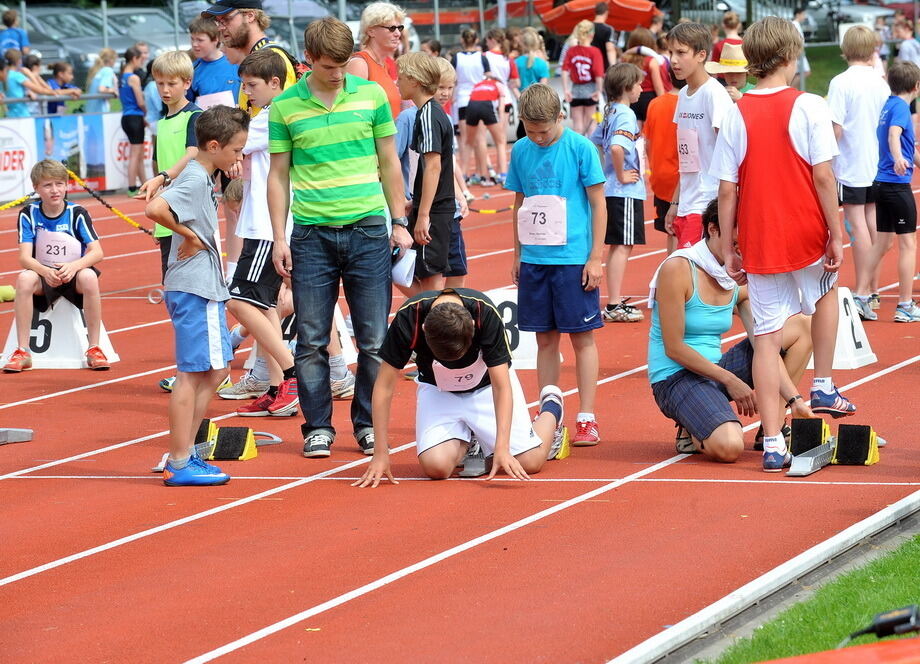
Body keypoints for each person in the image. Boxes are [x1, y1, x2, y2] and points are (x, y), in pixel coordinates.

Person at [712, 16, 855, 472]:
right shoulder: (809, 105)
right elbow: (824, 175)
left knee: (766, 341)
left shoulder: (736, 112)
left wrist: (730, 245)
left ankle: (772, 441)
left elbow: (727, 188)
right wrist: (837, 232)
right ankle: (825, 382)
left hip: (759, 236)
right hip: (805, 229)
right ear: (791, 57)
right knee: (826, 294)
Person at [268, 17, 412, 459]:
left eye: (343, 64)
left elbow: (390, 162)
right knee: (311, 338)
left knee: (372, 339)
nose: (338, 73)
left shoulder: (369, 96)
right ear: (309, 59)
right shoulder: (284, 107)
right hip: (311, 234)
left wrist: (399, 219)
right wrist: (279, 237)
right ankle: (318, 427)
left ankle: (367, 424)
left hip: (369, 229)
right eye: (329, 66)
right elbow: (278, 176)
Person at [648, 199, 814, 461]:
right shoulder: (678, 268)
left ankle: (773, 427)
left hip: (716, 369)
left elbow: (764, 345)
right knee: (729, 447)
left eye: (744, 243)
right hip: (676, 377)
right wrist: (730, 380)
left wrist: (795, 401)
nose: (740, 251)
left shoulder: (735, 275)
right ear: (713, 229)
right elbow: (674, 347)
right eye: (735, 242)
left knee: (801, 327)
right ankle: (691, 424)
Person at [354, 288, 570, 487]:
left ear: (472, 329)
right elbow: (383, 387)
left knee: (531, 461)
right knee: (436, 468)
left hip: (486, 387)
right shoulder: (408, 317)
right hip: (438, 391)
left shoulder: (484, 313)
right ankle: (471, 439)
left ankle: (552, 408)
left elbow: (501, 387)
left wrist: (502, 448)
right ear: (424, 328)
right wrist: (380, 454)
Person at [144, 104, 249, 486]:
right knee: (192, 375)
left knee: (218, 369)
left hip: (201, 286)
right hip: (193, 287)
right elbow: (155, 208)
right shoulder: (193, 178)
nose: (239, 158)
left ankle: (186, 453)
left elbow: (187, 160)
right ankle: (180, 458)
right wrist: (189, 235)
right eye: (236, 151)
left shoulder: (201, 172)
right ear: (215, 145)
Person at [506, 83, 606, 446]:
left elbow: (598, 203)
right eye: (530, 131)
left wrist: (595, 257)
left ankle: (587, 417)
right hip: (535, 260)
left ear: (560, 117)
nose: (538, 138)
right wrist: (517, 253)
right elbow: (520, 203)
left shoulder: (580, 148)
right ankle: (550, 413)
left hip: (573, 261)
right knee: (544, 340)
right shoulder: (521, 150)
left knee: (582, 338)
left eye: (543, 131)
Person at [222, 48, 301, 417]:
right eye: (242, 85)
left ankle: (290, 373)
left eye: (251, 85)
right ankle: (275, 386)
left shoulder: (269, 119)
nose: (246, 92)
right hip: (266, 222)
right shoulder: (275, 115)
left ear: (274, 83)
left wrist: (168, 173)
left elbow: (223, 142)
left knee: (238, 301)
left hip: (268, 226)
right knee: (266, 305)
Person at [3, 160, 109, 373]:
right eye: (48, 185)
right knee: (24, 279)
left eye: (59, 184)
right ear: (36, 188)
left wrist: (74, 266)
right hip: (43, 275)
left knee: (89, 277)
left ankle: (94, 348)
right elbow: (24, 258)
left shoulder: (77, 212)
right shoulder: (28, 214)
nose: (55, 190)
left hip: (73, 274)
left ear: (67, 185)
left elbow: (97, 252)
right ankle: (23, 351)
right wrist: (45, 271)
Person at [827, 25, 891, 321]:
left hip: (852, 166)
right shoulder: (881, 82)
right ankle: (872, 289)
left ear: (845, 49)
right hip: (877, 164)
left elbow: (835, 128)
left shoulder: (841, 82)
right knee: (872, 224)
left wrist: (825, 159)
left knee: (858, 228)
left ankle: (864, 292)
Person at [664, 22, 734, 250]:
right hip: (687, 202)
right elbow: (687, 157)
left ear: (701, 55)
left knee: (692, 275)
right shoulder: (683, 94)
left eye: (681, 53)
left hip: (708, 202)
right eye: (670, 52)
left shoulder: (714, 95)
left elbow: (731, 150)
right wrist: (675, 202)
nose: (673, 60)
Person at [138, 51, 201, 283]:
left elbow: (193, 152)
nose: (165, 90)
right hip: (166, 217)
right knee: (172, 287)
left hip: (189, 215)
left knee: (191, 287)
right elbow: (158, 163)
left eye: (171, 84)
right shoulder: (161, 124)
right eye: (160, 83)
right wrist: (158, 223)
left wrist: (165, 177)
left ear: (187, 83)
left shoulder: (194, 116)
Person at [866, 61, 920, 322]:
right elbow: (894, 137)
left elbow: (909, 148)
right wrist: (898, 158)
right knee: (908, 243)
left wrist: (905, 156)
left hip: (881, 183)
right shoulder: (901, 108)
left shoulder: (888, 105)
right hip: (896, 186)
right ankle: (905, 304)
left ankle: (859, 295)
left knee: (883, 243)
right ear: (916, 86)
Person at [592, 63, 646, 324]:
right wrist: (621, 174)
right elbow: (615, 147)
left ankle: (613, 300)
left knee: (619, 245)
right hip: (624, 189)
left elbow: (595, 141)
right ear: (626, 87)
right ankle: (613, 303)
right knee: (622, 246)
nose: (641, 88)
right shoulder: (625, 114)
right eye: (637, 84)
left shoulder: (611, 111)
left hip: (613, 188)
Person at [396, 52, 454, 292]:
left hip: (436, 210)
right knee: (408, 272)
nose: (396, 82)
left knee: (430, 282)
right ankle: (427, 321)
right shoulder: (425, 113)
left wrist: (423, 215)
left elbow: (433, 166)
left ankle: (434, 325)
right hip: (430, 207)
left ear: (415, 81)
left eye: (400, 77)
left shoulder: (429, 114)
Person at [202, 0, 298, 116]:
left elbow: (282, 121)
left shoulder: (273, 58)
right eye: (218, 22)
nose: (220, 28)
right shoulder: (255, 58)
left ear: (250, 16)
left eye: (226, 20)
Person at [644, 69, 683, 255]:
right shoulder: (688, 104)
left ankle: (672, 277)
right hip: (681, 177)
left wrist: (653, 166)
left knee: (672, 231)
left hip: (660, 174)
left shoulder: (655, 104)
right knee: (681, 231)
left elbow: (648, 142)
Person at [346, 1, 407, 120]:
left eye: (399, 28)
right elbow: (355, 115)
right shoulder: (360, 63)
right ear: (371, 31)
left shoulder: (385, 64)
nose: (398, 33)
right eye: (392, 28)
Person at [451, 29, 492, 182]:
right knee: (480, 139)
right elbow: (488, 78)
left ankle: (465, 175)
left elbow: (452, 79)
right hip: (480, 99)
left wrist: (453, 96)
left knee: (465, 140)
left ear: (462, 40)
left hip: (463, 101)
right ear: (476, 40)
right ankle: (482, 175)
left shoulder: (456, 58)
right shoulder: (482, 58)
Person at [561, 20, 604, 137]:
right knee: (591, 124)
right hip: (590, 88)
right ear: (591, 34)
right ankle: (590, 153)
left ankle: (577, 153)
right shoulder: (595, 51)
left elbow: (564, 70)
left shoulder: (571, 51)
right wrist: (599, 90)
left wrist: (566, 90)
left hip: (575, 90)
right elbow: (598, 74)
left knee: (577, 126)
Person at [188, 16, 241, 108]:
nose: (194, 44)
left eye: (200, 40)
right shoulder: (191, 70)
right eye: (192, 39)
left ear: (216, 39)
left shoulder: (235, 62)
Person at [621, 27, 666, 125]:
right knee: (647, 131)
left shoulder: (625, 60)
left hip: (631, 96)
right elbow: (658, 87)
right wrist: (663, 103)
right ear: (650, 42)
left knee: (634, 129)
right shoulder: (651, 61)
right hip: (649, 99)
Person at [119, 47, 147, 195]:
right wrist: (146, 113)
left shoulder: (121, 76)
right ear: (134, 59)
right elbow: (140, 101)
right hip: (135, 116)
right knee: (136, 154)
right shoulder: (133, 78)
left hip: (126, 116)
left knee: (139, 154)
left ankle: (144, 184)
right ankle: (131, 187)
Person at [513, 29, 550, 139]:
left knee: (523, 127)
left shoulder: (516, 62)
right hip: (538, 101)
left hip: (522, 100)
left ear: (522, 44)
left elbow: (513, 84)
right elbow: (544, 85)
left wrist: (520, 97)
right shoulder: (541, 63)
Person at [3, 49, 40, 118]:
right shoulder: (17, 75)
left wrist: (27, 93)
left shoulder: (3, 75)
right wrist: (31, 75)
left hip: (9, 115)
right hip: (22, 115)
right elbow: (39, 89)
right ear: (19, 61)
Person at [143, 60, 163, 174]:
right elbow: (159, 106)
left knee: (157, 153)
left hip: (154, 121)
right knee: (158, 153)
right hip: (156, 122)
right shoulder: (153, 85)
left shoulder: (150, 85)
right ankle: (158, 178)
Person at [85, 48, 118, 114]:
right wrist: (114, 90)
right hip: (100, 112)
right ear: (111, 60)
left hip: (90, 111)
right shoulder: (107, 70)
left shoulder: (97, 71)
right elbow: (102, 89)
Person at [591, 2, 618, 73]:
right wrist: (613, 67)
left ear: (595, 12)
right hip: (602, 66)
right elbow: (610, 49)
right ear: (606, 12)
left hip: (587, 64)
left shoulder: (587, 27)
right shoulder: (608, 29)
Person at [791, 7, 811, 88]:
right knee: (806, 72)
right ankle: (790, 89)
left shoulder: (796, 24)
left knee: (799, 73)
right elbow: (796, 40)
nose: (804, 16)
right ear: (797, 14)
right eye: (803, 14)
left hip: (800, 52)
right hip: (798, 53)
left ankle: (793, 90)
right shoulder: (795, 24)